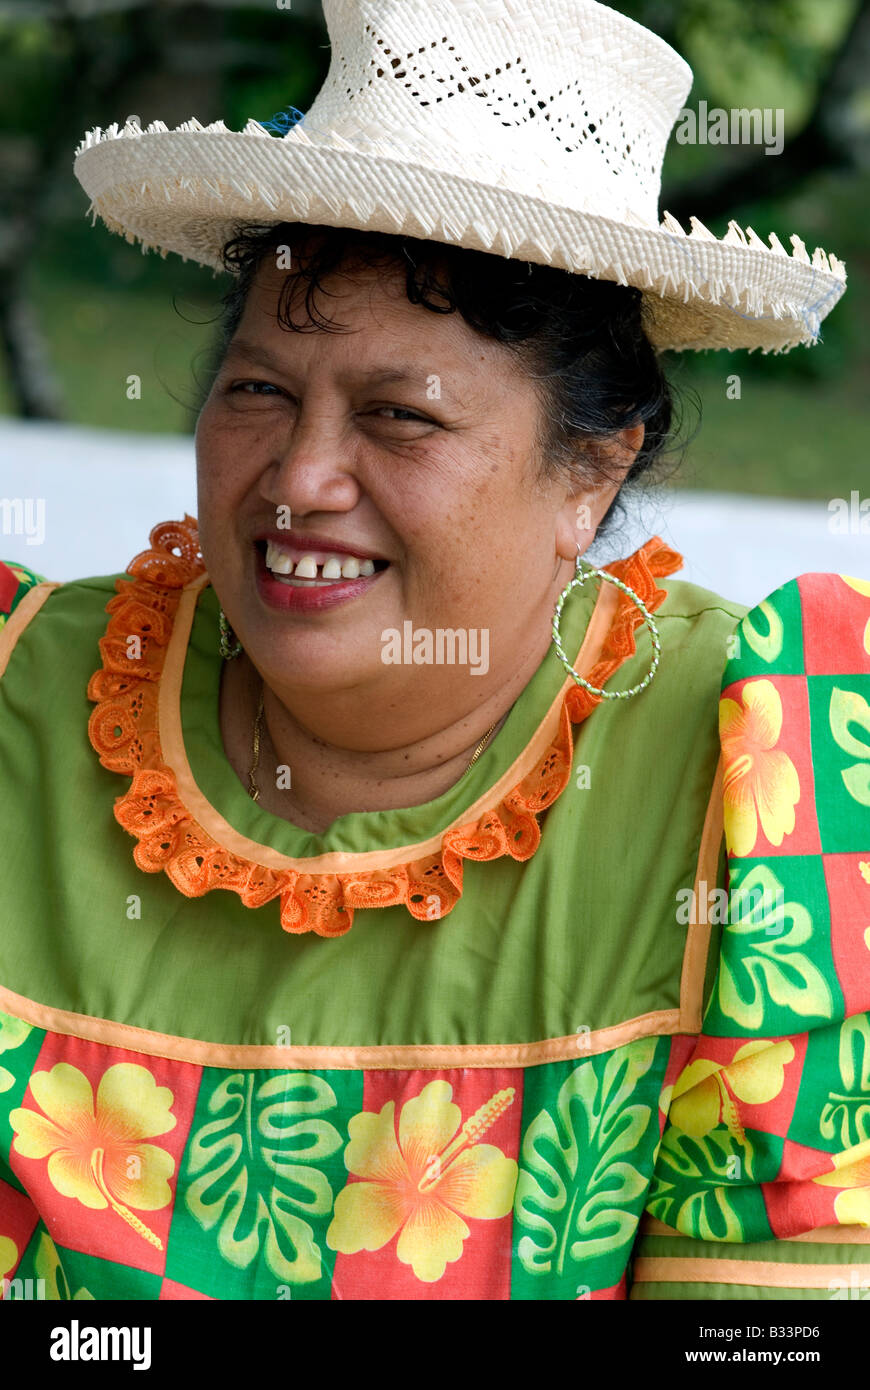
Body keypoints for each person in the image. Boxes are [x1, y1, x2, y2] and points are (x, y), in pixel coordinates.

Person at [0, 0, 867, 1302]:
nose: (298, 478)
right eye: (257, 390)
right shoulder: (18, 691)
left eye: (399, 417)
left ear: (590, 468)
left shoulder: (759, 781)